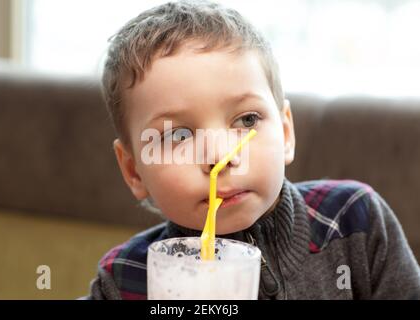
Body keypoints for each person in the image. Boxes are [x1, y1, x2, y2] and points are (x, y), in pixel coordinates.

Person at [87, 0, 420, 299]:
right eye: (178, 136)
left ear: (286, 132)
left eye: (247, 119)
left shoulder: (355, 223)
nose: (220, 156)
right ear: (133, 171)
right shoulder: (122, 281)